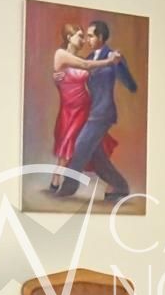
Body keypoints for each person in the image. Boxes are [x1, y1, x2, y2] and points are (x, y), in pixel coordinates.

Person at [53, 19, 135, 203]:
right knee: (97, 158)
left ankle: (68, 187)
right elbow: (79, 70)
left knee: (80, 147)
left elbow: (130, 84)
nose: (87, 40)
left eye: (90, 36)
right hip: (89, 112)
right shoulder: (89, 58)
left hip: (102, 112)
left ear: (100, 37)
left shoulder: (113, 56)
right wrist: (58, 77)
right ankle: (120, 186)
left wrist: (119, 64)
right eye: (85, 36)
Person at [48, 25, 116, 192]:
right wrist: (109, 61)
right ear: (69, 37)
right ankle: (56, 181)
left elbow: (90, 73)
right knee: (68, 145)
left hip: (86, 109)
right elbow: (85, 65)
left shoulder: (77, 59)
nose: (84, 40)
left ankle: (111, 184)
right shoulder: (61, 54)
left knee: (94, 147)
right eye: (79, 36)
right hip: (70, 110)